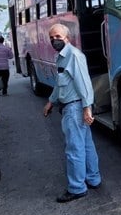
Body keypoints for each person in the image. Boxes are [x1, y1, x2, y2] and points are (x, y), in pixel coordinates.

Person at [42, 23, 101, 203]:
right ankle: (93, 178)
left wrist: (87, 108)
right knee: (86, 145)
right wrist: (50, 102)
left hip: (75, 108)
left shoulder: (73, 56)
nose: (54, 40)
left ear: (67, 38)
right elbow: (61, 84)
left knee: (74, 149)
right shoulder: (61, 57)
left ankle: (77, 188)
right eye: (52, 38)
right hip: (73, 106)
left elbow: (84, 83)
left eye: (58, 37)